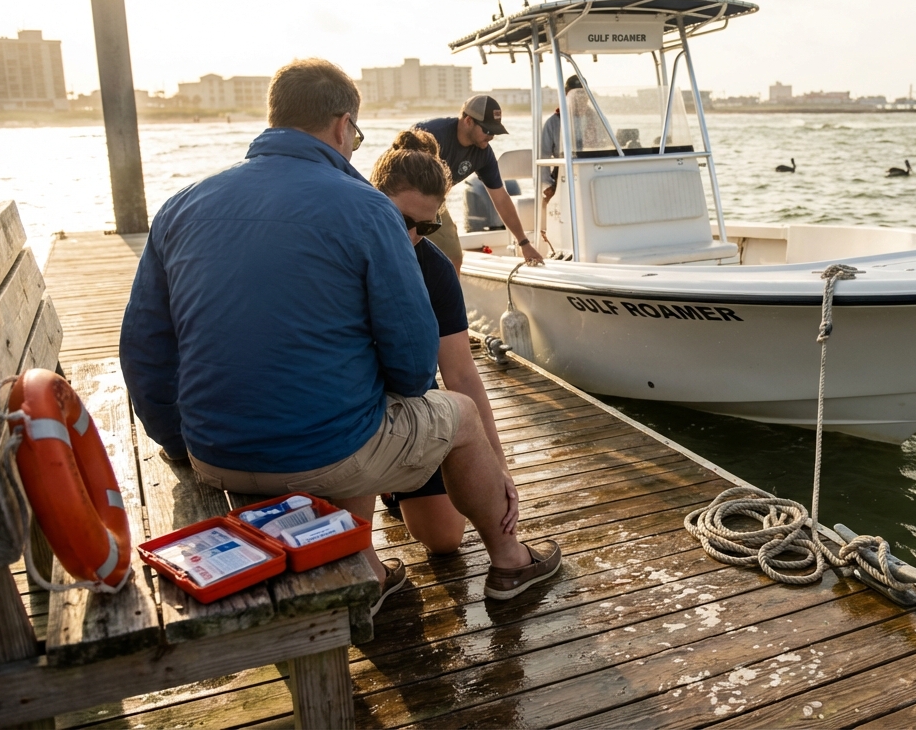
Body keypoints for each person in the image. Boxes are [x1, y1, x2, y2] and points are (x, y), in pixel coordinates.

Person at [119, 58, 561, 610]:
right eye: (354, 133)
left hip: (212, 453)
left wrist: (180, 443)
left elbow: (142, 351)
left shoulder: (181, 206)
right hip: (324, 452)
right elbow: (412, 365)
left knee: (346, 404)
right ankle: (511, 561)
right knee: (458, 415)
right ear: (342, 125)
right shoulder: (368, 210)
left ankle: (369, 569)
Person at [368, 129, 510, 554]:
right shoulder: (343, 254)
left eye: (426, 225)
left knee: (445, 539)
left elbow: (462, 373)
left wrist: (498, 463)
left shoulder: (435, 269)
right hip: (352, 397)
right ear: (374, 200)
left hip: (411, 397)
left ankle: (394, 486)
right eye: (402, 221)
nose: (412, 236)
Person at [415, 95, 545, 272]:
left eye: (495, 132)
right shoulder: (431, 134)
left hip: (434, 203)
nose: (491, 137)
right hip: (402, 198)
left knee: (453, 256)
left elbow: (501, 198)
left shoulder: (484, 154)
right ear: (468, 121)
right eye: (487, 130)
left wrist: (524, 243)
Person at [539, 75, 585, 212]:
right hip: (563, 177)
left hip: (591, 173)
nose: (581, 97)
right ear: (566, 94)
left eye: (583, 93)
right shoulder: (553, 122)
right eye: (576, 93)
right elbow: (543, 156)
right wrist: (548, 186)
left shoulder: (596, 120)